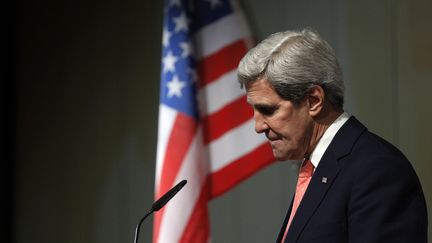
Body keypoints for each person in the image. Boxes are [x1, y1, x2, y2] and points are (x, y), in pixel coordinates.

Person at [237, 29, 428, 243]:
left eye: (268, 110)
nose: (258, 126)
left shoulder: (378, 171)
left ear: (314, 101)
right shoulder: (319, 167)